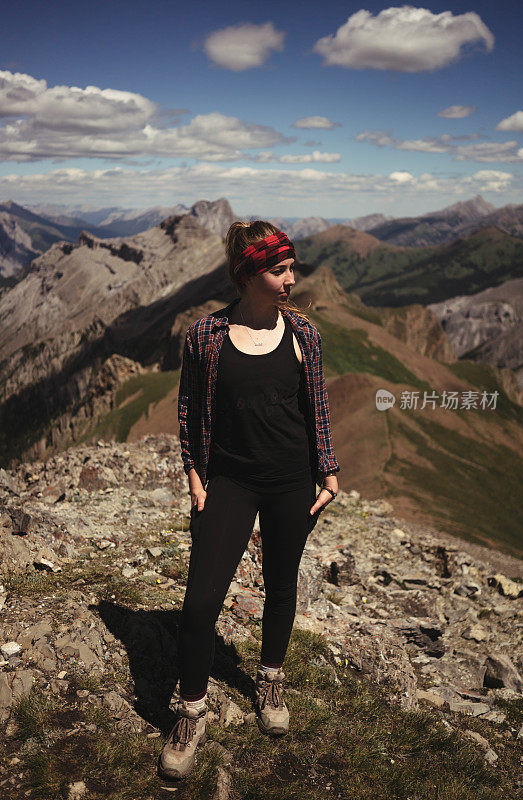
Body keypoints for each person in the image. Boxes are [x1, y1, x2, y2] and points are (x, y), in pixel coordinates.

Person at [158, 221, 340, 779]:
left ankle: (270, 679)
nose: (290, 280)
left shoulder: (302, 334)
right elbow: (189, 410)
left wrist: (328, 472)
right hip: (228, 483)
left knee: (282, 585)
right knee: (198, 605)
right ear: (247, 274)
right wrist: (194, 473)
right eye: (278, 270)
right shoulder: (205, 336)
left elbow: (316, 408)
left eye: (290, 268)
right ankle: (190, 712)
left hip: (291, 479)